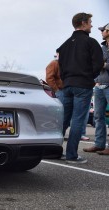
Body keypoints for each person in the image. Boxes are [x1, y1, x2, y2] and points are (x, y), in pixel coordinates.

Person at [57, 13, 103, 164]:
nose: (91, 25)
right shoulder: (91, 42)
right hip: (82, 85)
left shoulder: (64, 45)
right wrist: (90, 79)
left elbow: (60, 67)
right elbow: (98, 65)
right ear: (83, 23)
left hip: (67, 85)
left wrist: (66, 80)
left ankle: (54, 151)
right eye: (90, 22)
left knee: (63, 120)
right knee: (77, 120)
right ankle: (71, 155)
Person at [84, 23, 109, 155]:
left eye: (103, 30)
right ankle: (99, 145)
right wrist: (95, 81)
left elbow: (102, 64)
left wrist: (104, 64)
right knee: (98, 117)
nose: (101, 32)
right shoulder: (102, 47)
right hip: (99, 87)